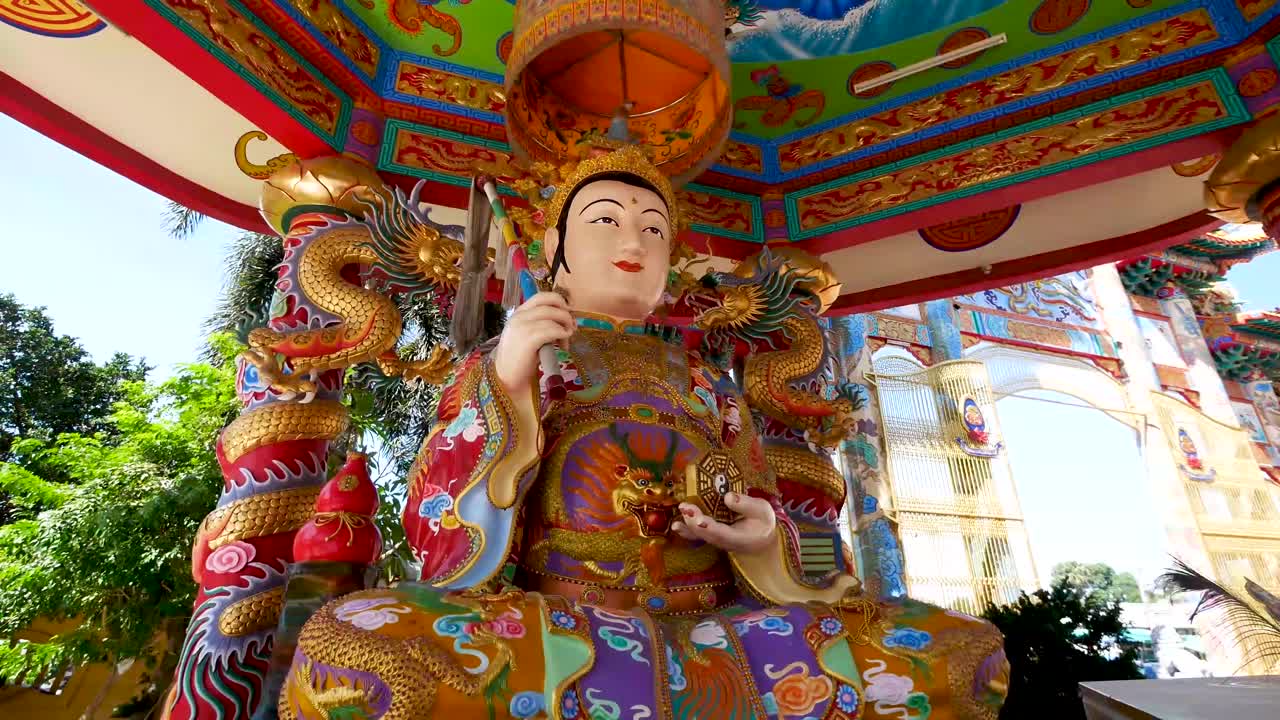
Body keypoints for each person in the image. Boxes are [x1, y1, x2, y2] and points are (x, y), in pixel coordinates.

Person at [280, 146, 1008, 720]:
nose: (634, 239)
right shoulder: (514, 360)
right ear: (555, 247)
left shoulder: (708, 383)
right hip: (558, 621)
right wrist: (508, 379)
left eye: (654, 229)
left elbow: (767, 511)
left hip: (716, 630)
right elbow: (438, 515)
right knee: (358, 649)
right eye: (606, 220)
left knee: (958, 653)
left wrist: (760, 538)